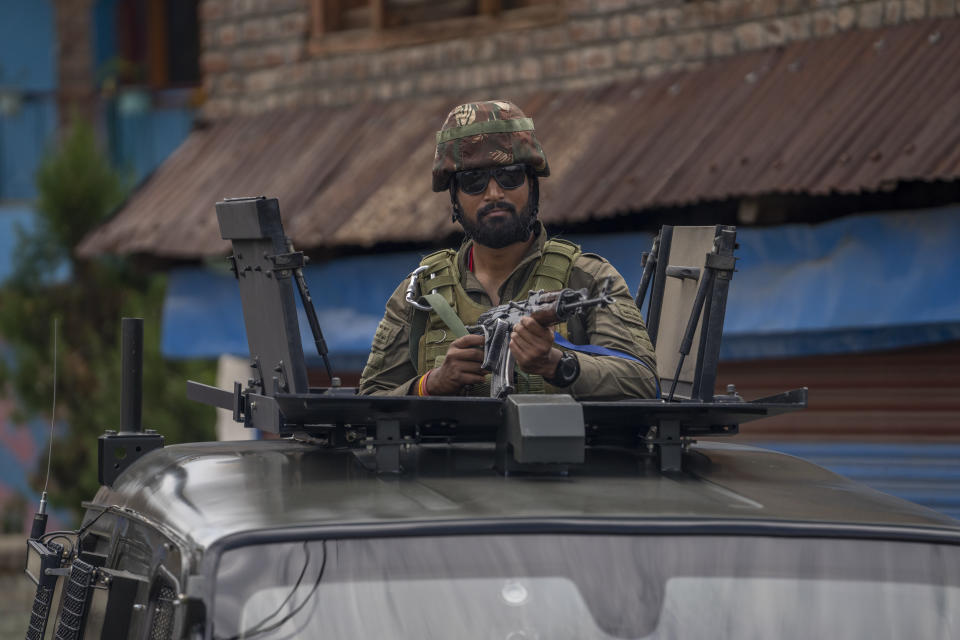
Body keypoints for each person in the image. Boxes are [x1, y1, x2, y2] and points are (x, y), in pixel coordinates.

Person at [359, 100, 657, 400]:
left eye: (510, 175)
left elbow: (643, 382)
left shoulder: (587, 278)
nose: (494, 193)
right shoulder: (420, 291)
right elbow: (369, 400)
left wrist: (559, 365)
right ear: (455, 197)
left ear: (532, 184)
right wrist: (429, 385)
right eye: (473, 181)